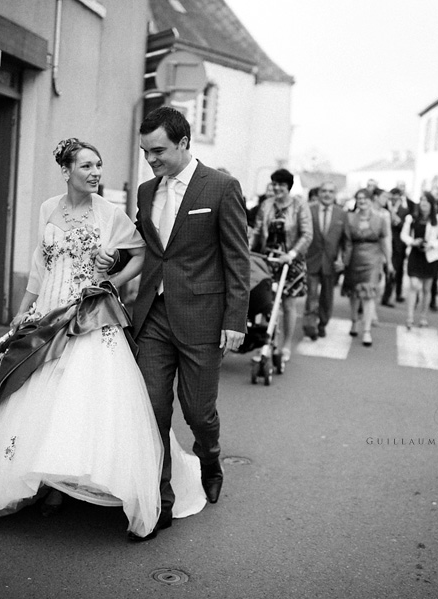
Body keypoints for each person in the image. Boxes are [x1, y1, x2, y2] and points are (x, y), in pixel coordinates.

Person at [0, 138, 206, 540]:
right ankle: (47, 481)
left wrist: (111, 277)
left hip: (88, 317)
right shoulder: (49, 207)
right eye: (86, 166)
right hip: (48, 313)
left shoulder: (110, 213)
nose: (95, 172)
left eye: (98, 165)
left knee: (81, 400)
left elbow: (142, 255)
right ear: (66, 172)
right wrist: (23, 310)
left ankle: (73, 485)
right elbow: (39, 265)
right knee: (35, 396)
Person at [98, 107, 250, 541]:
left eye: (159, 150)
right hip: (154, 317)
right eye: (146, 152)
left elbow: (237, 259)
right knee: (152, 411)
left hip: (203, 318)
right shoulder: (147, 192)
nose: (151, 160)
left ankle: (211, 457)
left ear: (184, 142)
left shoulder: (221, 187)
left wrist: (235, 320)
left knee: (198, 412)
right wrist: (117, 259)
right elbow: (148, 246)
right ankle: (158, 502)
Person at [254, 168, 313, 361]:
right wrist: (248, 250)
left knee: (288, 304)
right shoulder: (267, 204)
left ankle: (286, 345)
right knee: (265, 302)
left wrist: (292, 253)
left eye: (281, 185)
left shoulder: (299, 205)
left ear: (288, 187)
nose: (277, 188)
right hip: (268, 260)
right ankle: (263, 341)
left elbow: (306, 234)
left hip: (290, 260)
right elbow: (257, 230)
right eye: (274, 184)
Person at [342, 188, 392, 346]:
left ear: (371, 201)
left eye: (365, 199)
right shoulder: (349, 218)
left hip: (372, 260)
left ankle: (367, 330)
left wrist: (389, 262)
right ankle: (354, 320)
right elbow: (346, 242)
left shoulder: (380, 219)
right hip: (354, 258)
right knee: (354, 293)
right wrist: (343, 260)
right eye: (359, 199)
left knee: (369, 294)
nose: (362, 201)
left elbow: (385, 242)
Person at [303, 181, 346, 340]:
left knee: (327, 297)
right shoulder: (309, 210)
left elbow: (345, 240)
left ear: (334, 195)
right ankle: (310, 325)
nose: (327, 194)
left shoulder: (341, 214)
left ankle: (323, 323)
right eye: (324, 191)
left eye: (330, 191)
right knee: (312, 295)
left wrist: (343, 259)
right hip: (311, 259)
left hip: (331, 261)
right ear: (319, 193)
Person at [400, 193, 438, 328]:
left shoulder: (437, 219)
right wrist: (412, 241)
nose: (423, 204)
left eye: (426, 202)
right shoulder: (411, 218)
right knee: (414, 285)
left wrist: (432, 245)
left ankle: (423, 316)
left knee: (427, 288)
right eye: (421, 201)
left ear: (431, 205)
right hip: (415, 255)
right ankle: (410, 317)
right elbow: (403, 235)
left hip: (430, 256)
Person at [382, 187, 412, 306]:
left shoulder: (404, 211)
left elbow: (405, 228)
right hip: (385, 243)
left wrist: (397, 220)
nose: (394, 199)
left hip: (398, 245)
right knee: (388, 271)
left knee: (396, 271)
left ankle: (393, 294)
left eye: (397, 196)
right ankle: (386, 296)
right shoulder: (385, 208)